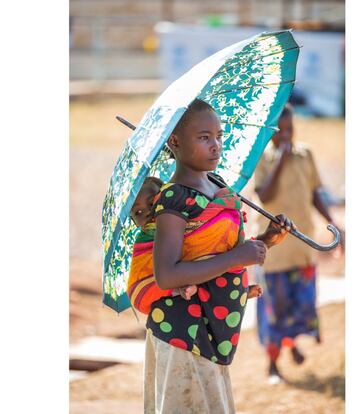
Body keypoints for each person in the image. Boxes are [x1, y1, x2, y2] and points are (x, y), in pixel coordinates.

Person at [129, 98, 294, 413]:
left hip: (209, 330)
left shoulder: (217, 187)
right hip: (181, 333)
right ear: (174, 142)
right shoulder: (174, 198)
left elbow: (213, 253)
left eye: (218, 136)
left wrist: (265, 242)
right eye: (204, 137)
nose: (216, 145)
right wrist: (237, 259)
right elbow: (168, 274)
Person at [254, 103, 344, 384]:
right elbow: (265, 195)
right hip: (275, 254)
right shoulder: (263, 159)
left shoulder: (305, 154)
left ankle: (292, 343)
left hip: (302, 249)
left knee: (302, 303)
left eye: (290, 129)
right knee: (275, 309)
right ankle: (272, 364)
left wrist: (335, 224)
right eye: (280, 131)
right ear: (270, 133)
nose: (287, 135)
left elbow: (315, 192)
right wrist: (280, 159)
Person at [128, 176, 263, 304]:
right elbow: (141, 272)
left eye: (152, 202)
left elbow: (208, 247)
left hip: (198, 270)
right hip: (164, 284)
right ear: (133, 221)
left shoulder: (177, 216)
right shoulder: (144, 239)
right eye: (138, 212)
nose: (147, 212)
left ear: (163, 196)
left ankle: (237, 292)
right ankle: (180, 289)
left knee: (208, 256)